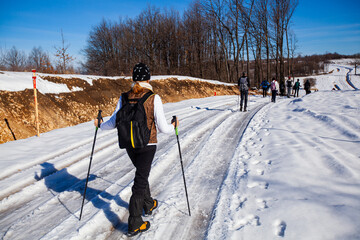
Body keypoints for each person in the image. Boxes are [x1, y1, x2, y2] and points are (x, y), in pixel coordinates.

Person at [94, 63, 178, 236]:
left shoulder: (124, 97)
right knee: (140, 181)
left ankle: (148, 204)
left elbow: (113, 122)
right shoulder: (153, 98)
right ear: (148, 78)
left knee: (142, 173)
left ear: (133, 79)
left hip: (129, 144)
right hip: (148, 144)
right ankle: (134, 222)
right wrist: (174, 126)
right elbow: (163, 127)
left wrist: (100, 125)